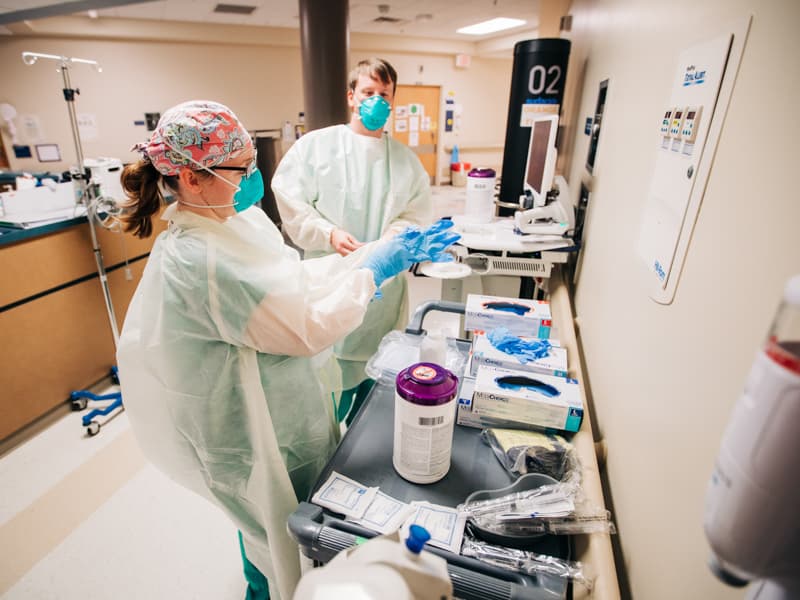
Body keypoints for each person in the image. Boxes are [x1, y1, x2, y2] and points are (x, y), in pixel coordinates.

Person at [115, 100, 459, 600]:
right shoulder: (199, 259)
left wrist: (366, 259)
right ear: (192, 177)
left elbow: (292, 280)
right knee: (274, 539)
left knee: (290, 525)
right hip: (251, 429)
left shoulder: (233, 222)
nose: (255, 177)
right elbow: (304, 327)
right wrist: (371, 274)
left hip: (283, 406)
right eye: (242, 169)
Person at [272, 58, 433, 426]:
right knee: (323, 403)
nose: (376, 100)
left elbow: (415, 212)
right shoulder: (316, 147)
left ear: (393, 100)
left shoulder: (405, 161)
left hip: (383, 292)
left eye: (384, 94)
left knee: (374, 397)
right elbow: (290, 198)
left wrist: (392, 239)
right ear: (351, 96)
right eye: (368, 92)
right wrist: (327, 232)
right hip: (327, 282)